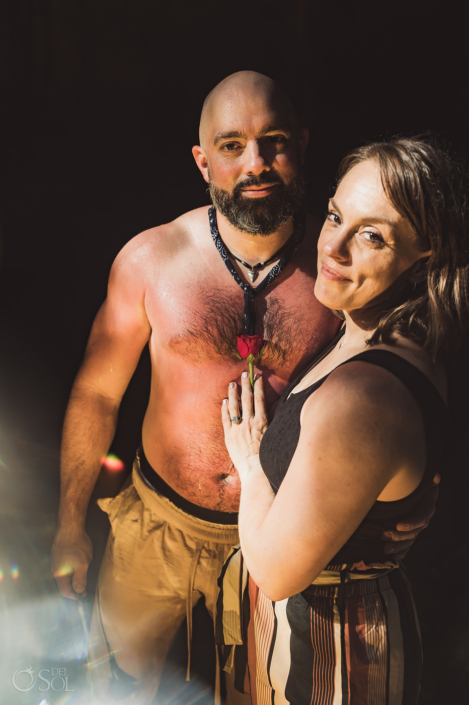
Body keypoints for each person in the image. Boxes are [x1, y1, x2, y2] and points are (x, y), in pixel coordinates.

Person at [50, 72, 438, 704]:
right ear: (203, 161)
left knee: (254, 695)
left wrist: (411, 497)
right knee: (119, 686)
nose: (255, 163)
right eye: (231, 145)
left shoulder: (342, 272)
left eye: (274, 141)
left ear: (303, 146)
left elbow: (405, 384)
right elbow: (97, 393)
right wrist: (68, 524)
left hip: (277, 547)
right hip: (157, 529)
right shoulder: (152, 261)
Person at [220, 136, 468, 705]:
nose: (333, 246)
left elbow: (278, 573)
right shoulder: (367, 331)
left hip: (333, 650)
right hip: (311, 627)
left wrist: (252, 461)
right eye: (336, 215)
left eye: (373, 235)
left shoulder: (365, 397)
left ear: (424, 256)